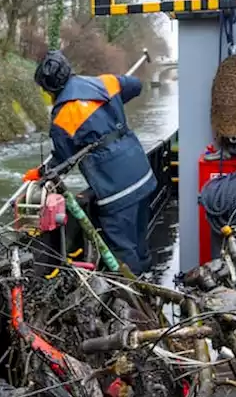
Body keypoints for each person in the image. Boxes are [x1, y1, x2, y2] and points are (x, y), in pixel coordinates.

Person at [23, 50, 156, 273]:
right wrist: (114, 100)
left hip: (115, 189)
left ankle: (135, 299)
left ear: (50, 89)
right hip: (142, 175)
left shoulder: (63, 116)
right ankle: (150, 287)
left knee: (123, 252)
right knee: (140, 242)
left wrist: (41, 173)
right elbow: (136, 86)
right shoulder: (105, 83)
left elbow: (63, 161)